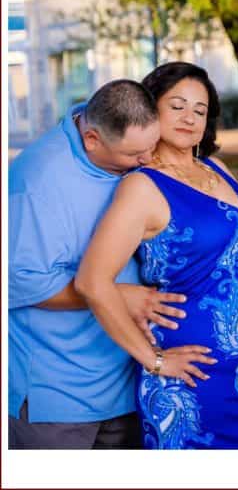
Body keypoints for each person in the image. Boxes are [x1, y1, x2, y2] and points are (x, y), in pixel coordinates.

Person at [76, 62, 238, 449]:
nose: (189, 118)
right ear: (152, 110)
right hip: (191, 374)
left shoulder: (217, 167)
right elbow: (91, 282)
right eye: (178, 106)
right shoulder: (141, 186)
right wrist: (157, 363)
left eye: (200, 111)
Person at [9, 80, 192, 449]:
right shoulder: (36, 184)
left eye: (151, 146)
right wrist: (119, 295)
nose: (146, 161)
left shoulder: (123, 146)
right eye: (135, 155)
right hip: (58, 396)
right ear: (91, 139)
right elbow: (18, 281)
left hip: (126, 381)